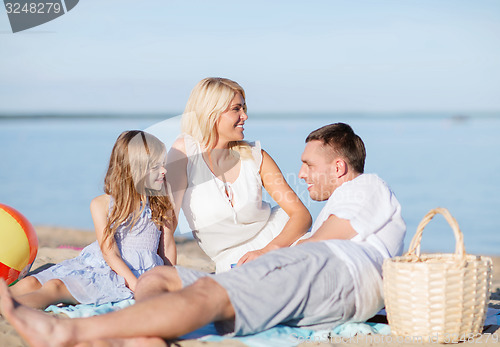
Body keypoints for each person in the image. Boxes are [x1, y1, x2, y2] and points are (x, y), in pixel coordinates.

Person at [0, 123, 406, 347]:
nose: (300, 173)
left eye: (307, 164)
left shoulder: (366, 187)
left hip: (331, 269)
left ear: (338, 168)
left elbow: (326, 243)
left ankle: (76, 332)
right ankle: (146, 325)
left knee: (210, 296)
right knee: (161, 277)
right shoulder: (344, 205)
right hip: (311, 270)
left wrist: (267, 254)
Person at [7, 130, 176, 309]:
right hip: (102, 265)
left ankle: (10, 310)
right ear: (135, 169)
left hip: (132, 275)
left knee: (54, 288)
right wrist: (135, 285)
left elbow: (167, 247)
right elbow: (109, 253)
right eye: (156, 166)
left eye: (163, 164)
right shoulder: (101, 204)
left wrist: (168, 282)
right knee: (31, 283)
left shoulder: (159, 204)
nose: (164, 171)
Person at [167, 77, 311, 272]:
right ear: (212, 113)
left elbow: (301, 214)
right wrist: (166, 277)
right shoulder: (185, 152)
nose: (244, 116)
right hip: (232, 260)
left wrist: (268, 250)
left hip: (280, 239)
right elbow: (167, 224)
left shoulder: (254, 155)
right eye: (236, 109)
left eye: (244, 108)